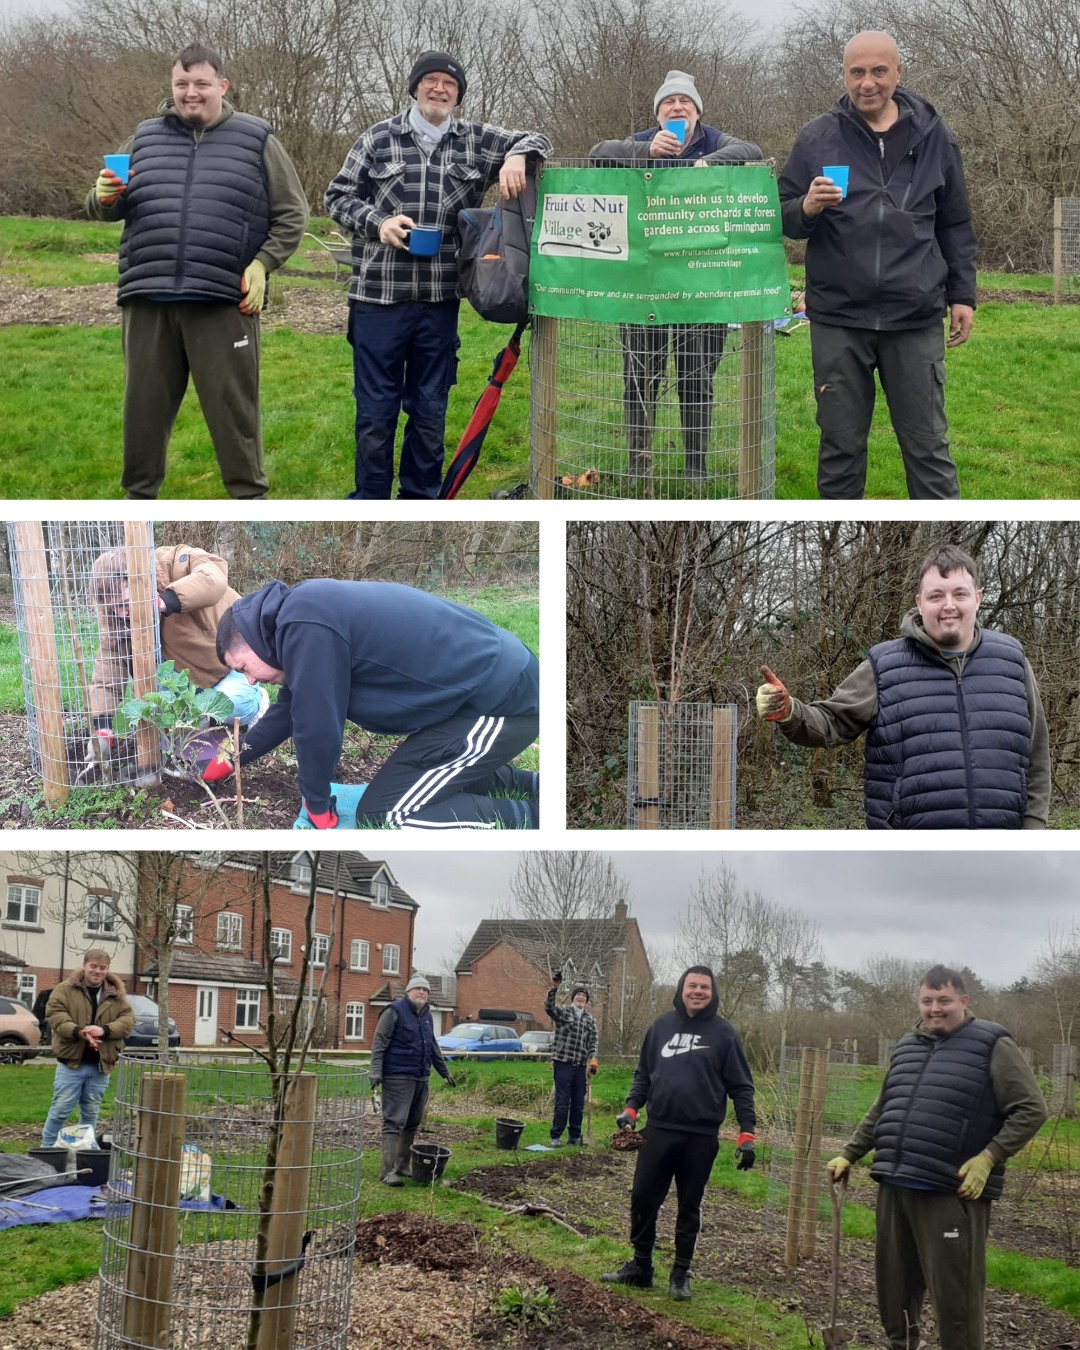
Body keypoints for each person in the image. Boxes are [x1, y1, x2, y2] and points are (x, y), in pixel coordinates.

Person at [324, 52, 552, 499]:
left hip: (439, 300)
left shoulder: (475, 140)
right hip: (378, 299)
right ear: (415, 88)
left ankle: (421, 498)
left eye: (449, 84)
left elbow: (540, 139)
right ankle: (370, 500)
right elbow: (337, 196)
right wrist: (378, 223)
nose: (439, 89)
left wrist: (518, 155)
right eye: (430, 81)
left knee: (429, 410)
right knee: (375, 413)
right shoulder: (377, 139)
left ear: (458, 94)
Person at [86, 43, 309, 499]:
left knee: (234, 416)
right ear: (172, 87)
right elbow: (106, 206)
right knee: (142, 416)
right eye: (182, 84)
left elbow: (293, 214)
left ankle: (249, 498)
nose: (191, 93)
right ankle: (138, 501)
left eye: (201, 84)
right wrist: (103, 196)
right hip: (148, 299)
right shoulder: (145, 137)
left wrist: (263, 264)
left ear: (222, 87)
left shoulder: (257, 138)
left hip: (223, 300)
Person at [777, 31, 976, 500]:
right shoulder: (818, 136)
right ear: (845, 75)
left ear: (898, 73)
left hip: (915, 315)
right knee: (840, 449)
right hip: (839, 318)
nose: (868, 83)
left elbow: (955, 220)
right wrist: (806, 207)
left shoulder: (933, 134)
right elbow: (782, 212)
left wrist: (963, 294)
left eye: (879, 71)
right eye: (857, 72)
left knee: (928, 449)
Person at [827, 966, 1047, 1350]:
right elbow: (883, 1109)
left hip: (951, 1192)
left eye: (943, 1000)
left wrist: (988, 1157)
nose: (935, 1009)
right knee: (895, 1288)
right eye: (927, 1001)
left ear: (964, 1001)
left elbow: (1031, 1108)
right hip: (896, 1185)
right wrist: (850, 1154)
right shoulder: (907, 1046)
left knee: (955, 1296)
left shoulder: (992, 1044)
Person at [756, 544, 1050, 829]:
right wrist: (789, 711)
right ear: (920, 603)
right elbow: (832, 721)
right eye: (936, 596)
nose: (949, 605)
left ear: (978, 598)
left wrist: (1034, 830)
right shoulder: (885, 665)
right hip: (908, 856)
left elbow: (1036, 755)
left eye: (960, 594)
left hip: (1000, 850)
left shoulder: (1013, 660)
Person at [213, 579, 540, 829]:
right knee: (424, 780)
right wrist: (234, 754)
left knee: (387, 812)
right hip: (481, 688)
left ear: (254, 642)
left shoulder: (305, 626)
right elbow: (290, 708)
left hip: (501, 699)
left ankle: (535, 818)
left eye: (243, 668)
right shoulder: (301, 616)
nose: (251, 681)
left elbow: (317, 725)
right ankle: (537, 787)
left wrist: (316, 802)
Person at [590, 72, 763, 482]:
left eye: (686, 102)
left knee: (696, 375)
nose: (678, 108)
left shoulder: (715, 141)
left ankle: (695, 470)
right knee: (640, 375)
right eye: (669, 102)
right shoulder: (645, 139)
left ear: (698, 111)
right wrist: (645, 149)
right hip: (645, 283)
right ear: (658, 112)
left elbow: (751, 150)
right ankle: (638, 466)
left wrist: (708, 163)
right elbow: (598, 152)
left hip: (703, 283)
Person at [602, 966, 756, 1301]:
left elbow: (742, 1088)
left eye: (704, 986)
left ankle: (680, 1274)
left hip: (700, 1136)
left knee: (690, 1206)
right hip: (657, 1130)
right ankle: (641, 1268)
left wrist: (747, 1133)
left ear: (712, 992)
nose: (698, 991)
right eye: (692, 985)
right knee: (643, 1198)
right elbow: (644, 1073)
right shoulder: (661, 1027)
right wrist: (631, 1108)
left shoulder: (724, 1034)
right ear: (681, 989)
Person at [85, 544, 267, 775]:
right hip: (182, 686)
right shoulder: (117, 622)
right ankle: (198, 728)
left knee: (235, 705)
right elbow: (107, 676)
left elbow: (214, 577)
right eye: (113, 607)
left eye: (124, 603)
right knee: (169, 727)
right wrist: (102, 731)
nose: (122, 613)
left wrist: (164, 602)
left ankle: (256, 703)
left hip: (226, 671)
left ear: (142, 582)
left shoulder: (176, 562)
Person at [42, 949, 135, 1147]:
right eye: (93, 966)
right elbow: (55, 1015)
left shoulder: (116, 994)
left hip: (100, 1066)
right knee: (60, 1110)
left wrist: (105, 1031)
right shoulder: (65, 989)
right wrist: (78, 1032)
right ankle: (46, 1151)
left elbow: (128, 1020)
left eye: (103, 968)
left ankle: (84, 1151)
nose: (97, 971)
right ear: (84, 966)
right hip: (71, 1064)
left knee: (91, 1112)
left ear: (107, 970)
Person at [369, 976, 455, 1186]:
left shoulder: (426, 1016)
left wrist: (445, 1072)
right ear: (408, 992)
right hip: (398, 1076)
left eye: (425, 990)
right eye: (417, 989)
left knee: (412, 1122)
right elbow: (379, 1043)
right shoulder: (394, 1011)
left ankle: (403, 1166)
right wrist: (375, 1071)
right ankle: (387, 1172)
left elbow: (433, 1047)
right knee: (394, 1122)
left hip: (420, 1076)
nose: (422, 993)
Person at [544, 972, 599, 1147]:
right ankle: (555, 1136)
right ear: (573, 998)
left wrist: (593, 1059)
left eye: (584, 996)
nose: (581, 998)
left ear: (586, 1000)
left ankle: (575, 1135)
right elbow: (549, 1008)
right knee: (562, 1102)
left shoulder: (590, 1019)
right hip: (563, 1064)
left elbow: (593, 1040)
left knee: (578, 1102)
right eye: (578, 995)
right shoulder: (563, 1012)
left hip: (580, 1066)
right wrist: (554, 988)